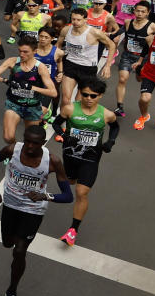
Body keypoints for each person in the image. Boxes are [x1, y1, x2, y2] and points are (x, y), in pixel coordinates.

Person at [0, 125, 73, 296]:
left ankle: (11, 293)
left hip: (33, 210)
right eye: (27, 141)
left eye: (35, 143)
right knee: (7, 243)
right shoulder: (12, 150)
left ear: (43, 143)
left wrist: (45, 196)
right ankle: (14, 249)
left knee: (19, 251)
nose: (30, 146)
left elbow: (68, 196)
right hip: (10, 205)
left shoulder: (52, 161)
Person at [51, 78, 120, 247]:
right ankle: (71, 179)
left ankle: (73, 230)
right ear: (80, 93)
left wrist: (110, 142)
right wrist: (64, 135)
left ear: (100, 96)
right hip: (70, 156)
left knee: (81, 193)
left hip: (90, 159)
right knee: (71, 181)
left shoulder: (106, 114)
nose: (89, 98)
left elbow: (115, 127)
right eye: (85, 94)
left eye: (93, 96)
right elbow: (56, 123)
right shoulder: (69, 109)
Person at [0, 36, 57, 144]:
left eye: (25, 52)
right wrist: (6, 81)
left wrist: (31, 87)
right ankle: (15, 151)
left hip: (32, 107)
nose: (21, 54)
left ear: (35, 51)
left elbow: (53, 92)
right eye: (20, 51)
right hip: (13, 104)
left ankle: (43, 116)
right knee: (8, 137)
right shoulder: (13, 61)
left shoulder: (40, 67)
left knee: (30, 140)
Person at [57, 8, 115, 106]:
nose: (75, 22)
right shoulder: (66, 30)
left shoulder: (94, 33)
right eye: (73, 19)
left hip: (87, 68)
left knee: (79, 101)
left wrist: (107, 66)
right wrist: (57, 63)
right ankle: (64, 119)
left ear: (85, 20)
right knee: (66, 99)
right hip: (70, 65)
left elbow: (112, 45)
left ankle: (74, 120)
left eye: (78, 20)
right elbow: (58, 46)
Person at [114, 1, 155, 116]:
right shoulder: (128, 22)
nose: (139, 14)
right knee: (122, 79)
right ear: (134, 11)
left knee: (139, 79)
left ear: (148, 13)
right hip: (127, 55)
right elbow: (119, 32)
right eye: (137, 11)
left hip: (143, 59)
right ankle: (120, 107)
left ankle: (139, 74)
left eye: (143, 12)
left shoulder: (152, 26)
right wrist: (112, 35)